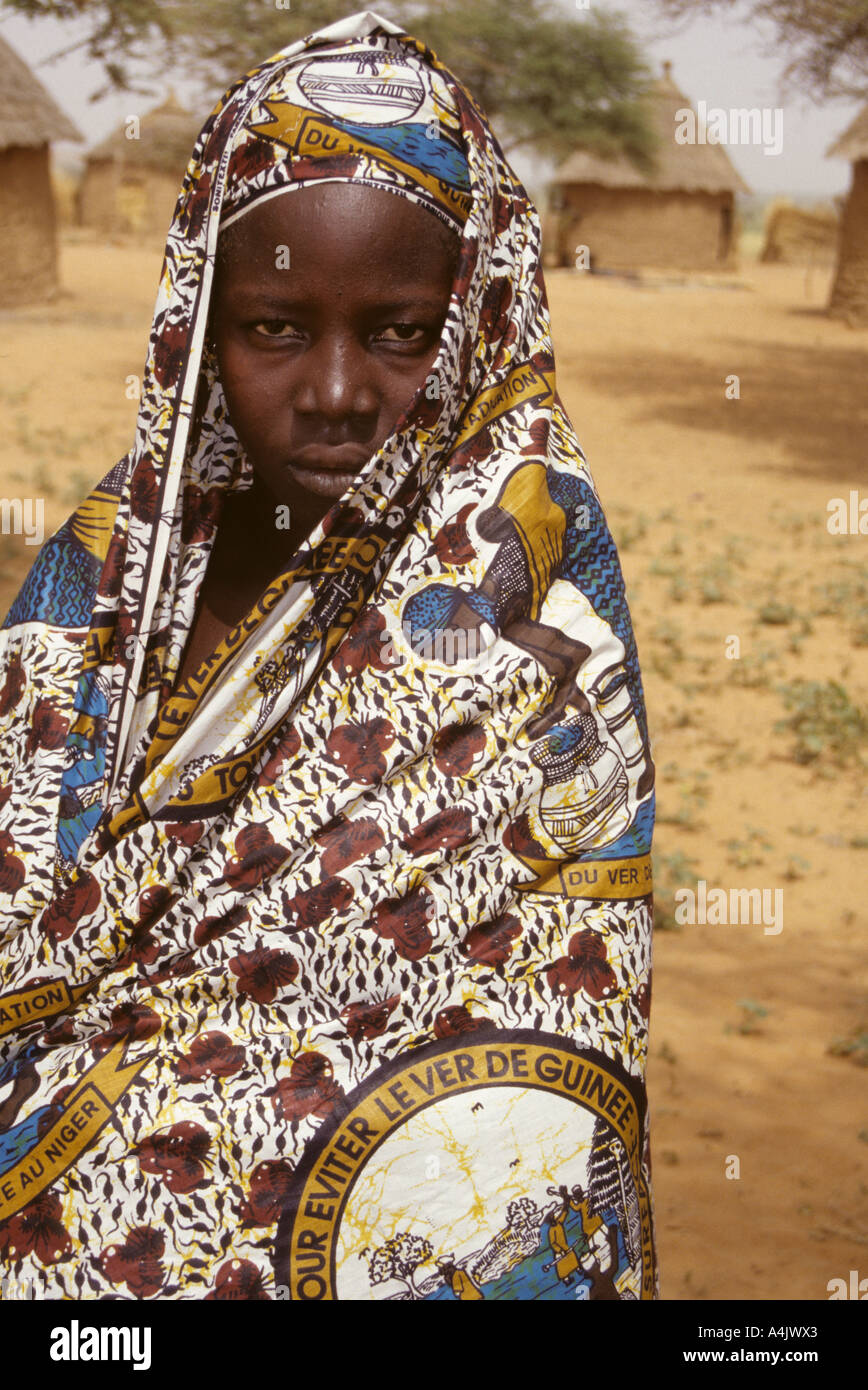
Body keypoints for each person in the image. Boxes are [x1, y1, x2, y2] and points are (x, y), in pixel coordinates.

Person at [0, 11, 656, 1301]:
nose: (341, 390)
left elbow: (515, 1081)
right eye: (276, 328)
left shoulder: (530, 613)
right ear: (197, 326)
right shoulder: (96, 573)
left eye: (405, 333)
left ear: (480, 318)